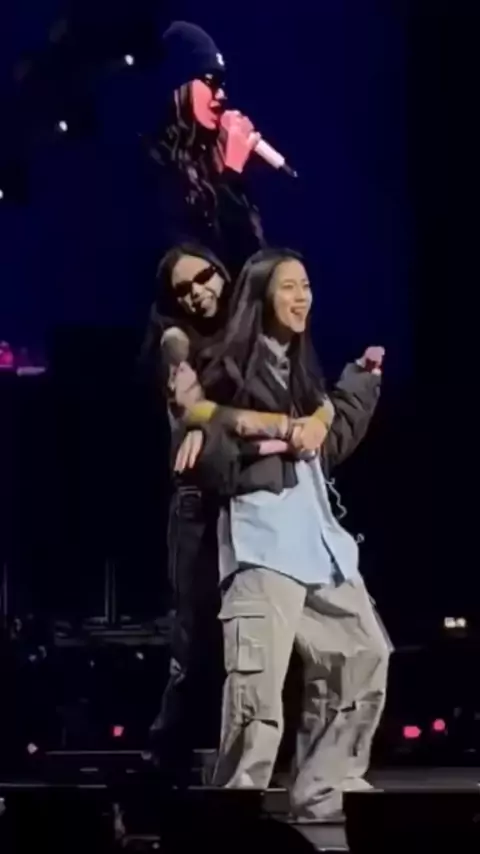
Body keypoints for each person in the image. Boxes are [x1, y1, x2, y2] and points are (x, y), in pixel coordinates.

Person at [181, 248, 391, 821]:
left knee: (362, 655)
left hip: (318, 544)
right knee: (257, 695)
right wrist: (272, 438)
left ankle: (325, 790)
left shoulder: (303, 371)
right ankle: (235, 811)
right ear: (261, 297)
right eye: (289, 287)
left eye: (306, 286)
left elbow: (328, 443)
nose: (303, 298)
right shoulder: (223, 369)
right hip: (261, 545)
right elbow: (211, 453)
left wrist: (361, 385)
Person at [142, 243, 334, 784]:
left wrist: (314, 419)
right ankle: (167, 758)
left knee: (272, 634)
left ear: (223, 272)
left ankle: (283, 762)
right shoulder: (177, 338)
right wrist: (209, 423)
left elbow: (315, 397)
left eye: (204, 276)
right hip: (202, 501)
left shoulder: (255, 331)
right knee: (195, 637)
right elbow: (188, 398)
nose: (198, 292)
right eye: (183, 289)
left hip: (257, 498)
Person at [149, 21, 266, 277]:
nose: (222, 95)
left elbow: (253, 265)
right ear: (177, 87)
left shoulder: (209, 161)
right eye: (210, 81)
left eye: (222, 84)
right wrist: (230, 177)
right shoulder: (152, 168)